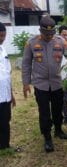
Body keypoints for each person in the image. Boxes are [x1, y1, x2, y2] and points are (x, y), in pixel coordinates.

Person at [22, 15, 67, 153]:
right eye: (46, 34)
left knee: (57, 109)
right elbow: (26, 64)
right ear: (40, 31)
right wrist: (26, 83)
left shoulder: (60, 42)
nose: (49, 36)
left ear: (54, 31)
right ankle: (47, 137)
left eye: (51, 33)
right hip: (40, 84)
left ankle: (58, 130)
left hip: (57, 83)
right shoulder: (31, 43)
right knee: (44, 113)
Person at [0, 22, 16, 150]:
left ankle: (5, 145)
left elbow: (7, 73)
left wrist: (11, 94)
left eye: (4, 36)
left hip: (5, 95)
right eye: (0, 36)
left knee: (5, 120)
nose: (2, 38)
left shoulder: (3, 49)